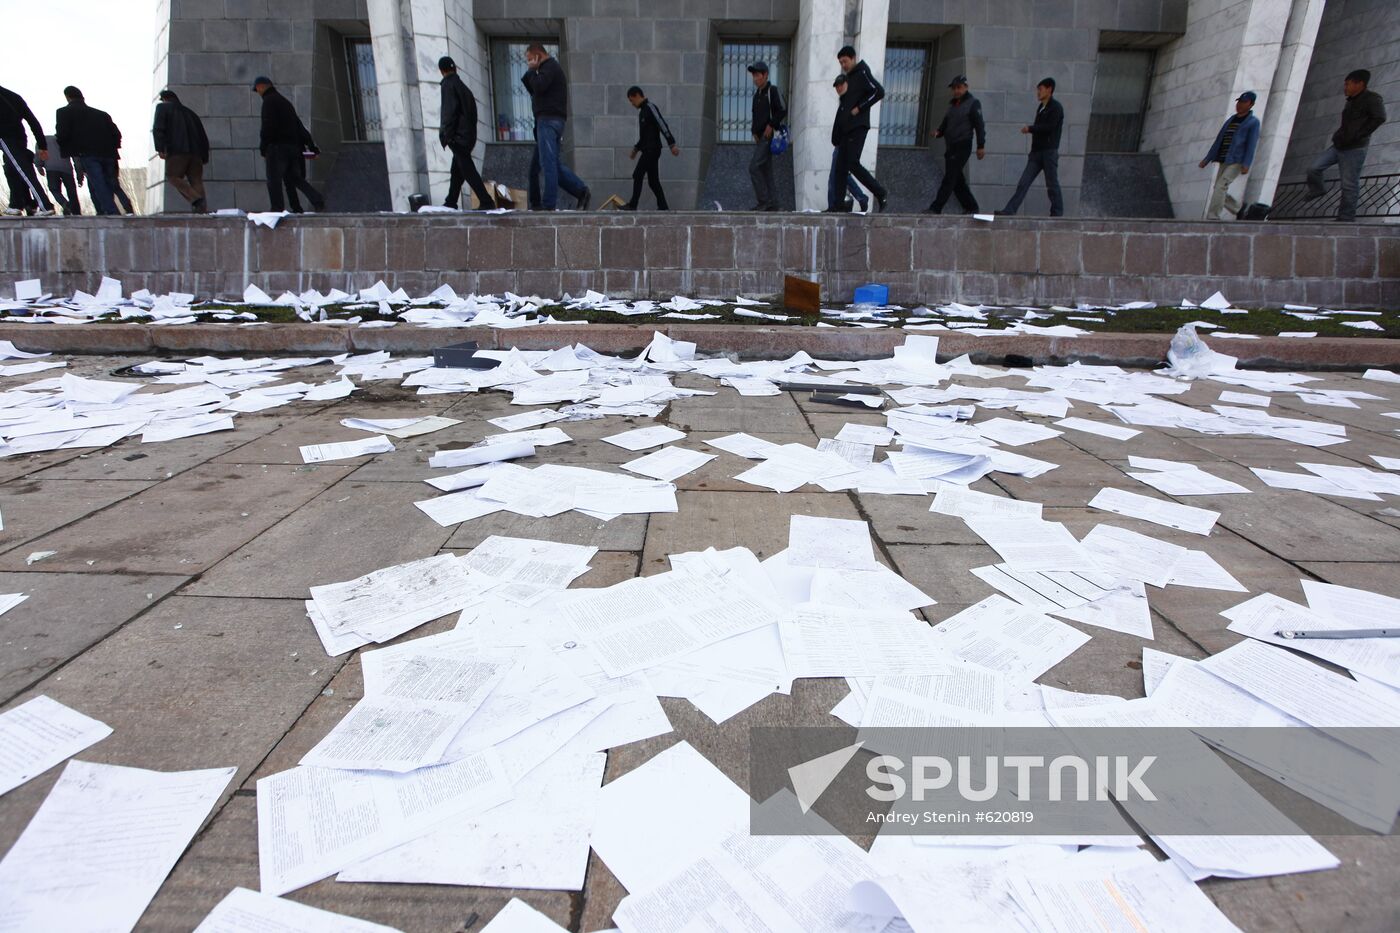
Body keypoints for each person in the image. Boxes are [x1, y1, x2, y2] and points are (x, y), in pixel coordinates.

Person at [1304, 69, 1387, 222]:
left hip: (1355, 148)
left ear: (1359, 84)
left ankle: (1346, 217)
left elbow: (1380, 117)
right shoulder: (1351, 101)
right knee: (1314, 168)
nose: (1345, 87)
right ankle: (1317, 189)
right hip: (1339, 145)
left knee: (1349, 184)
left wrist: (1359, 135)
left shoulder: (1372, 99)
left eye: (1348, 84)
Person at [521, 44, 590, 211]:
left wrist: (531, 71)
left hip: (548, 121)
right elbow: (534, 89)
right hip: (547, 122)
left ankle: (548, 204)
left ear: (538, 56)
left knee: (548, 164)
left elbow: (538, 86)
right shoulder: (546, 70)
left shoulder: (550, 67)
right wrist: (531, 73)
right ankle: (539, 202)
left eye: (530, 59)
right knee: (538, 167)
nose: (528, 63)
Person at [252, 76, 325, 213]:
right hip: (294, 148)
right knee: (294, 179)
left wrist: (264, 148)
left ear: (261, 86)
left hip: (277, 148)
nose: (258, 93)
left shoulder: (269, 101)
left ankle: (277, 209)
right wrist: (311, 146)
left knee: (274, 180)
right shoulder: (285, 103)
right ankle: (314, 201)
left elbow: (267, 126)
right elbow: (299, 126)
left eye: (257, 90)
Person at [830, 45, 887, 213]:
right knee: (840, 168)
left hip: (858, 127)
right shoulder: (849, 78)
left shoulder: (862, 72)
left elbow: (879, 91)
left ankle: (880, 192)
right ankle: (838, 205)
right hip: (846, 130)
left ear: (853, 58)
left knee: (853, 163)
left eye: (845, 61)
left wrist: (860, 108)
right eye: (841, 62)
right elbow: (844, 107)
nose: (843, 65)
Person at [1000, 77, 1064, 217]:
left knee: (1052, 184)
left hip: (1048, 152)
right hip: (1036, 153)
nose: (1038, 93)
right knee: (1024, 182)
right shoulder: (1041, 108)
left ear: (1049, 89)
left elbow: (1049, 127)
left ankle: (1057, 213)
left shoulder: (1056, 108)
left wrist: (1030, 128)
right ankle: (1010, 210)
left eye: (1040, 90)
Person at [438, 56, 496, 211]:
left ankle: (486, 200)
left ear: (441, 71)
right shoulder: (464, 88)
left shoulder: (448, 85)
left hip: (457, 137)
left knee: (467, 170)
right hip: (467, 137)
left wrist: (446, 135)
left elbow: (448, 113)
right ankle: (451, 200)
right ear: (455, 68)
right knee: (457, 170)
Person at [55, 86, 123, 216]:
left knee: (98, 183)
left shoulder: (63, 112)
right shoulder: (102, 114)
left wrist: (68, 149)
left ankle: (111, 211)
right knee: (109, 182)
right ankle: (108, 209)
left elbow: (62, 134)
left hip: (87, 153)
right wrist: (114, 147)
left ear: (67, 97)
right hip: (109, 153)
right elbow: (116, 134)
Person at [927, 74, 985, 214]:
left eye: (959, 87)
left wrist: (980, 146)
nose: (956, 91)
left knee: (950, 177)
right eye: (954, 88)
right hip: (951, 146)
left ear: (966, 87)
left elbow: (979, 126)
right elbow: (945, 124)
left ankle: (936, 207)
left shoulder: (973, 103)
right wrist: (938, 132)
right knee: (957, 180)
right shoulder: (953, 105)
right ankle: (971, 207)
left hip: (963, 144)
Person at [1198, 91, 1260, 220]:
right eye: (1239, 102)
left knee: (1221, 186)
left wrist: (1246, 164)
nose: (1240, 105)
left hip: (1237, 160)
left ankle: (1213, 216)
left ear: (1251, 104)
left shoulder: (1253, 123)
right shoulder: (1231, 120)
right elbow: (1219, 140)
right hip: (1224, 157)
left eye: (1244, 102)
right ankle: (1238, 209)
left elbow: (1251, 144)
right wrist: (1207, 158)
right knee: (1219, 188)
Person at [0, 85, 56, 217]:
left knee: (23, 170)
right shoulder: (14, 96)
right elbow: (32, 120)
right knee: (11, 169)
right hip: (20, 136)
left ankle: (45, 205)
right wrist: (42, 145)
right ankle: (16, 204)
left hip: (6, 137)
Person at [152, 89, 210, 213]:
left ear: (164, 99)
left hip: (177, 151)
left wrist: (160, 148)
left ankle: (196, 199)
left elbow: (158, 128)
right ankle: (202, 211)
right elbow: (203, 136)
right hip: (196, 154)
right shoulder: (191, 113)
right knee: (196, 180)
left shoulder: (163, 108)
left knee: (173, 176)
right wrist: (204, 156)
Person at [624, 86, 679, 211]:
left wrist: (672, 144)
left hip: (652, 150)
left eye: (632, 100)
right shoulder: (642, 112)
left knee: (637, 174)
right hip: (648, 149)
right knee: (653, 181)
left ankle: (632, 205)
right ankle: (663, 207)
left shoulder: (650, 107)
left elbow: (662, 124)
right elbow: (644, 136)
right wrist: (636, 149)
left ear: (637, 95)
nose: (632, 104)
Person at [747, 61, 786, 211]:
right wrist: (753, 132)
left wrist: (771, 125)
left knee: (754, 167)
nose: (755, 78)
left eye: (757, 75)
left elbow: (782, 109)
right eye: (753, 76)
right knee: (765, 170)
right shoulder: (757, 95)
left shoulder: (772, 91)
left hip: (769, 137)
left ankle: (763, 201)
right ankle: (774, 204)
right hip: (760, 138)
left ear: (765, 75)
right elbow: (754, 116)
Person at [826, 76, 868, 213]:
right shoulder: (844, 101)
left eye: (841, 85)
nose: (838, 88)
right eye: (837, 86)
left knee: (835, 175)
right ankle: (861, 197)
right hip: (840, 143)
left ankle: (834, 205)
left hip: (845, 143)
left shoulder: (851, 101)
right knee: (840, 174)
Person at [38, 134, 80, 215]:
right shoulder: (66, 141)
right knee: (72, 192)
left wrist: (39, 166)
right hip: (67, 169)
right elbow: (76, 158)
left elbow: (39, 153)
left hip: (51, 168)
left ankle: (65, 204)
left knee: (54, 189)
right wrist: (79, 175)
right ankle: (76, 212)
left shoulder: (43, 140)